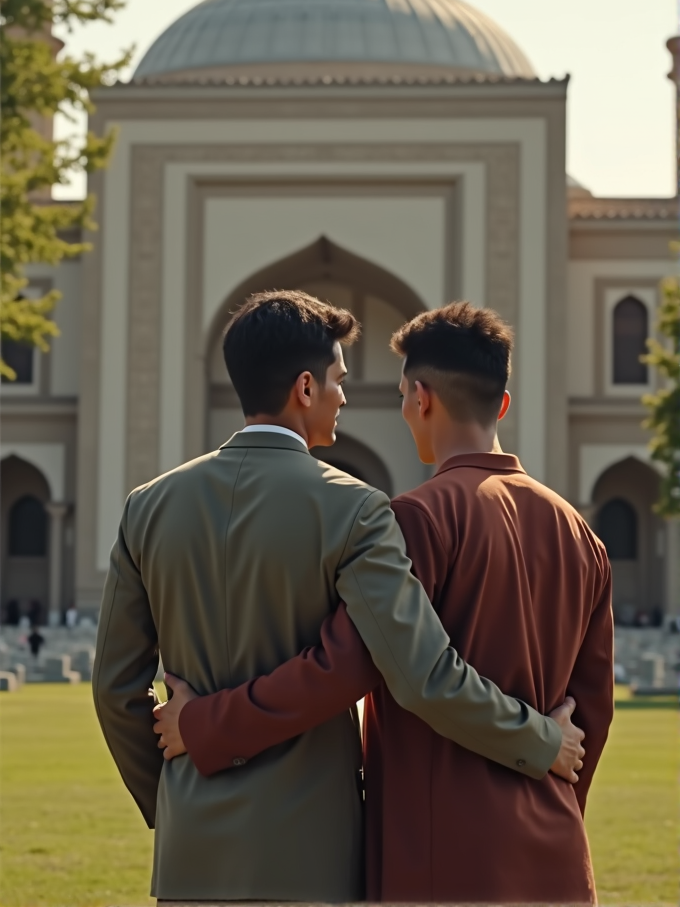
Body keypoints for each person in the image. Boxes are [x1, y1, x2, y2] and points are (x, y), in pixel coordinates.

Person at [94, 291, 584, 904]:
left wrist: (174, 797)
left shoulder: (148, 505)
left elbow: (115, 689)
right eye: (339, 381)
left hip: (189, 854)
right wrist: (543, 740)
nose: (345, 397)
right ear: (305, 388)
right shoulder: (355, 508)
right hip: (314, 855)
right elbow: (414, 670)